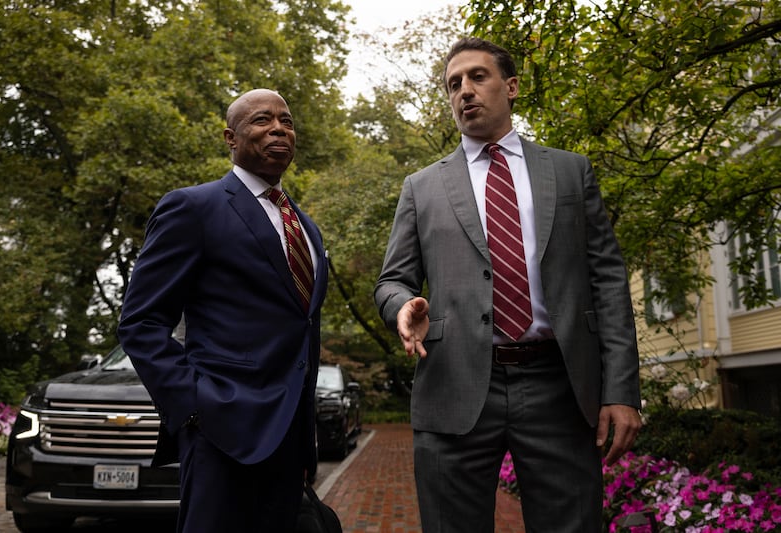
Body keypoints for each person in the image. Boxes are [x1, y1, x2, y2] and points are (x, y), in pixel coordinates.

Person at [374, 38, 642, 533]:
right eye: (454, 84)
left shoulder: (569, 171)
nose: (465, 92)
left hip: (558, 385)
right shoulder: (422, 187)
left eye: (478, 77)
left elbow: (607, 280)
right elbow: (392, 279)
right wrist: (401, 307)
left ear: (511, 86)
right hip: (452, 383)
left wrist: (621, 390)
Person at [118, 88, 328, 533]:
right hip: (222, 431)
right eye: (261, 120)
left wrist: (305, 440)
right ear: (231, 138)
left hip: (289, 441)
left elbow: (304, 329)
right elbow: (141, 322)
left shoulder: (305, 226)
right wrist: (195, 407)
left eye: (286, 121)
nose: (278, 129)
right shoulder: (193, 207)